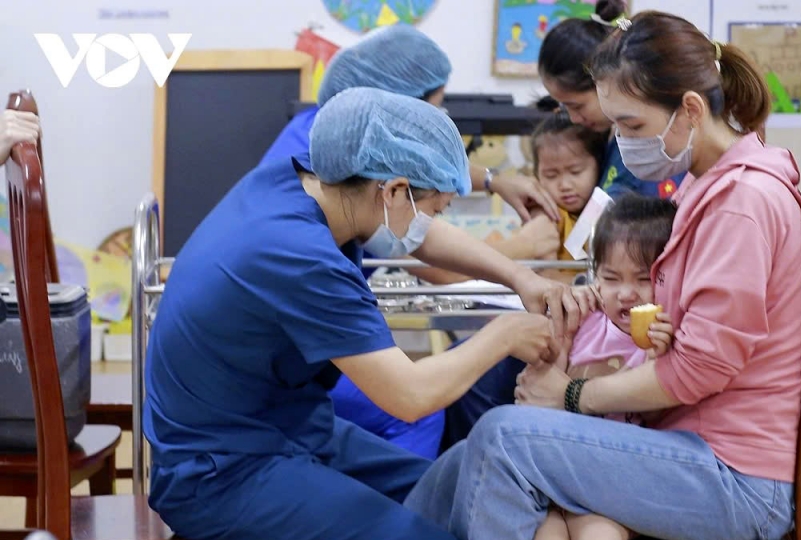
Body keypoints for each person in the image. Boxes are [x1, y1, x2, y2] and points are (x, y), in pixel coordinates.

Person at [404, 11, 801, 540]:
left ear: (690, 110)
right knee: (473, 454)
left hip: (734, 477)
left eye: (632, 125)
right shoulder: (713, 187)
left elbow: (697, 372)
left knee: (503, 439)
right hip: (696, 447)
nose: (621, 141)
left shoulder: (740, 204)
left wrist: (571, 393)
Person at [143, 87, 586, 540]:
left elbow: (421, 237)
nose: (429, 221)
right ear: (393, 190)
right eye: (433, 208)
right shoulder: (300, 255)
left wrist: (520, 277)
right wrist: (506, 333)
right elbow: (409, 397)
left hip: (289, 427)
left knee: (460, 497)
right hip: (219, 472)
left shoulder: (306, 185)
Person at [263, 23, 561, 460]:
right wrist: (521, 259)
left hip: (278, 370)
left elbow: (409, 172)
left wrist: (493, 180)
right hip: (277, 385)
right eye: (427, 120)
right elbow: (426, 255)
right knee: (417, 413)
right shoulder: (320, 209)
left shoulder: (326, 137)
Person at [263, 23, 560, 225]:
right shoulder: (331, 156)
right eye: (431, 111)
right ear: (398, 105)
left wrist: (492, 180)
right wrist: (527, 250)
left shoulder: (339, 128)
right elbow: (423, 250)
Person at [533, 194, 676, 540]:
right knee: (543, 532)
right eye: (611, 279)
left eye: (643, 279)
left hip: (615, 486)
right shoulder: (585, 322)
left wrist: (657, 359)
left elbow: (657, 416)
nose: (626, 294)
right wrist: (563, 333)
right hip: (559, 473)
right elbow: (540, 391)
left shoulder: (664, 337)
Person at [538, 0, 685, 200]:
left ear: (603, 85)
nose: (573, 119)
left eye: (577, 106)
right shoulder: (608, 140)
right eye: (563, 106)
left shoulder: (649, 152)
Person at [526, 98, 608, 285]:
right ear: (536, 174)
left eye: (575, 172)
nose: (564, 185)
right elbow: (547, 276)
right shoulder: (547, 215)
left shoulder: (606, 207)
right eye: (551, 175)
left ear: (599, 165)